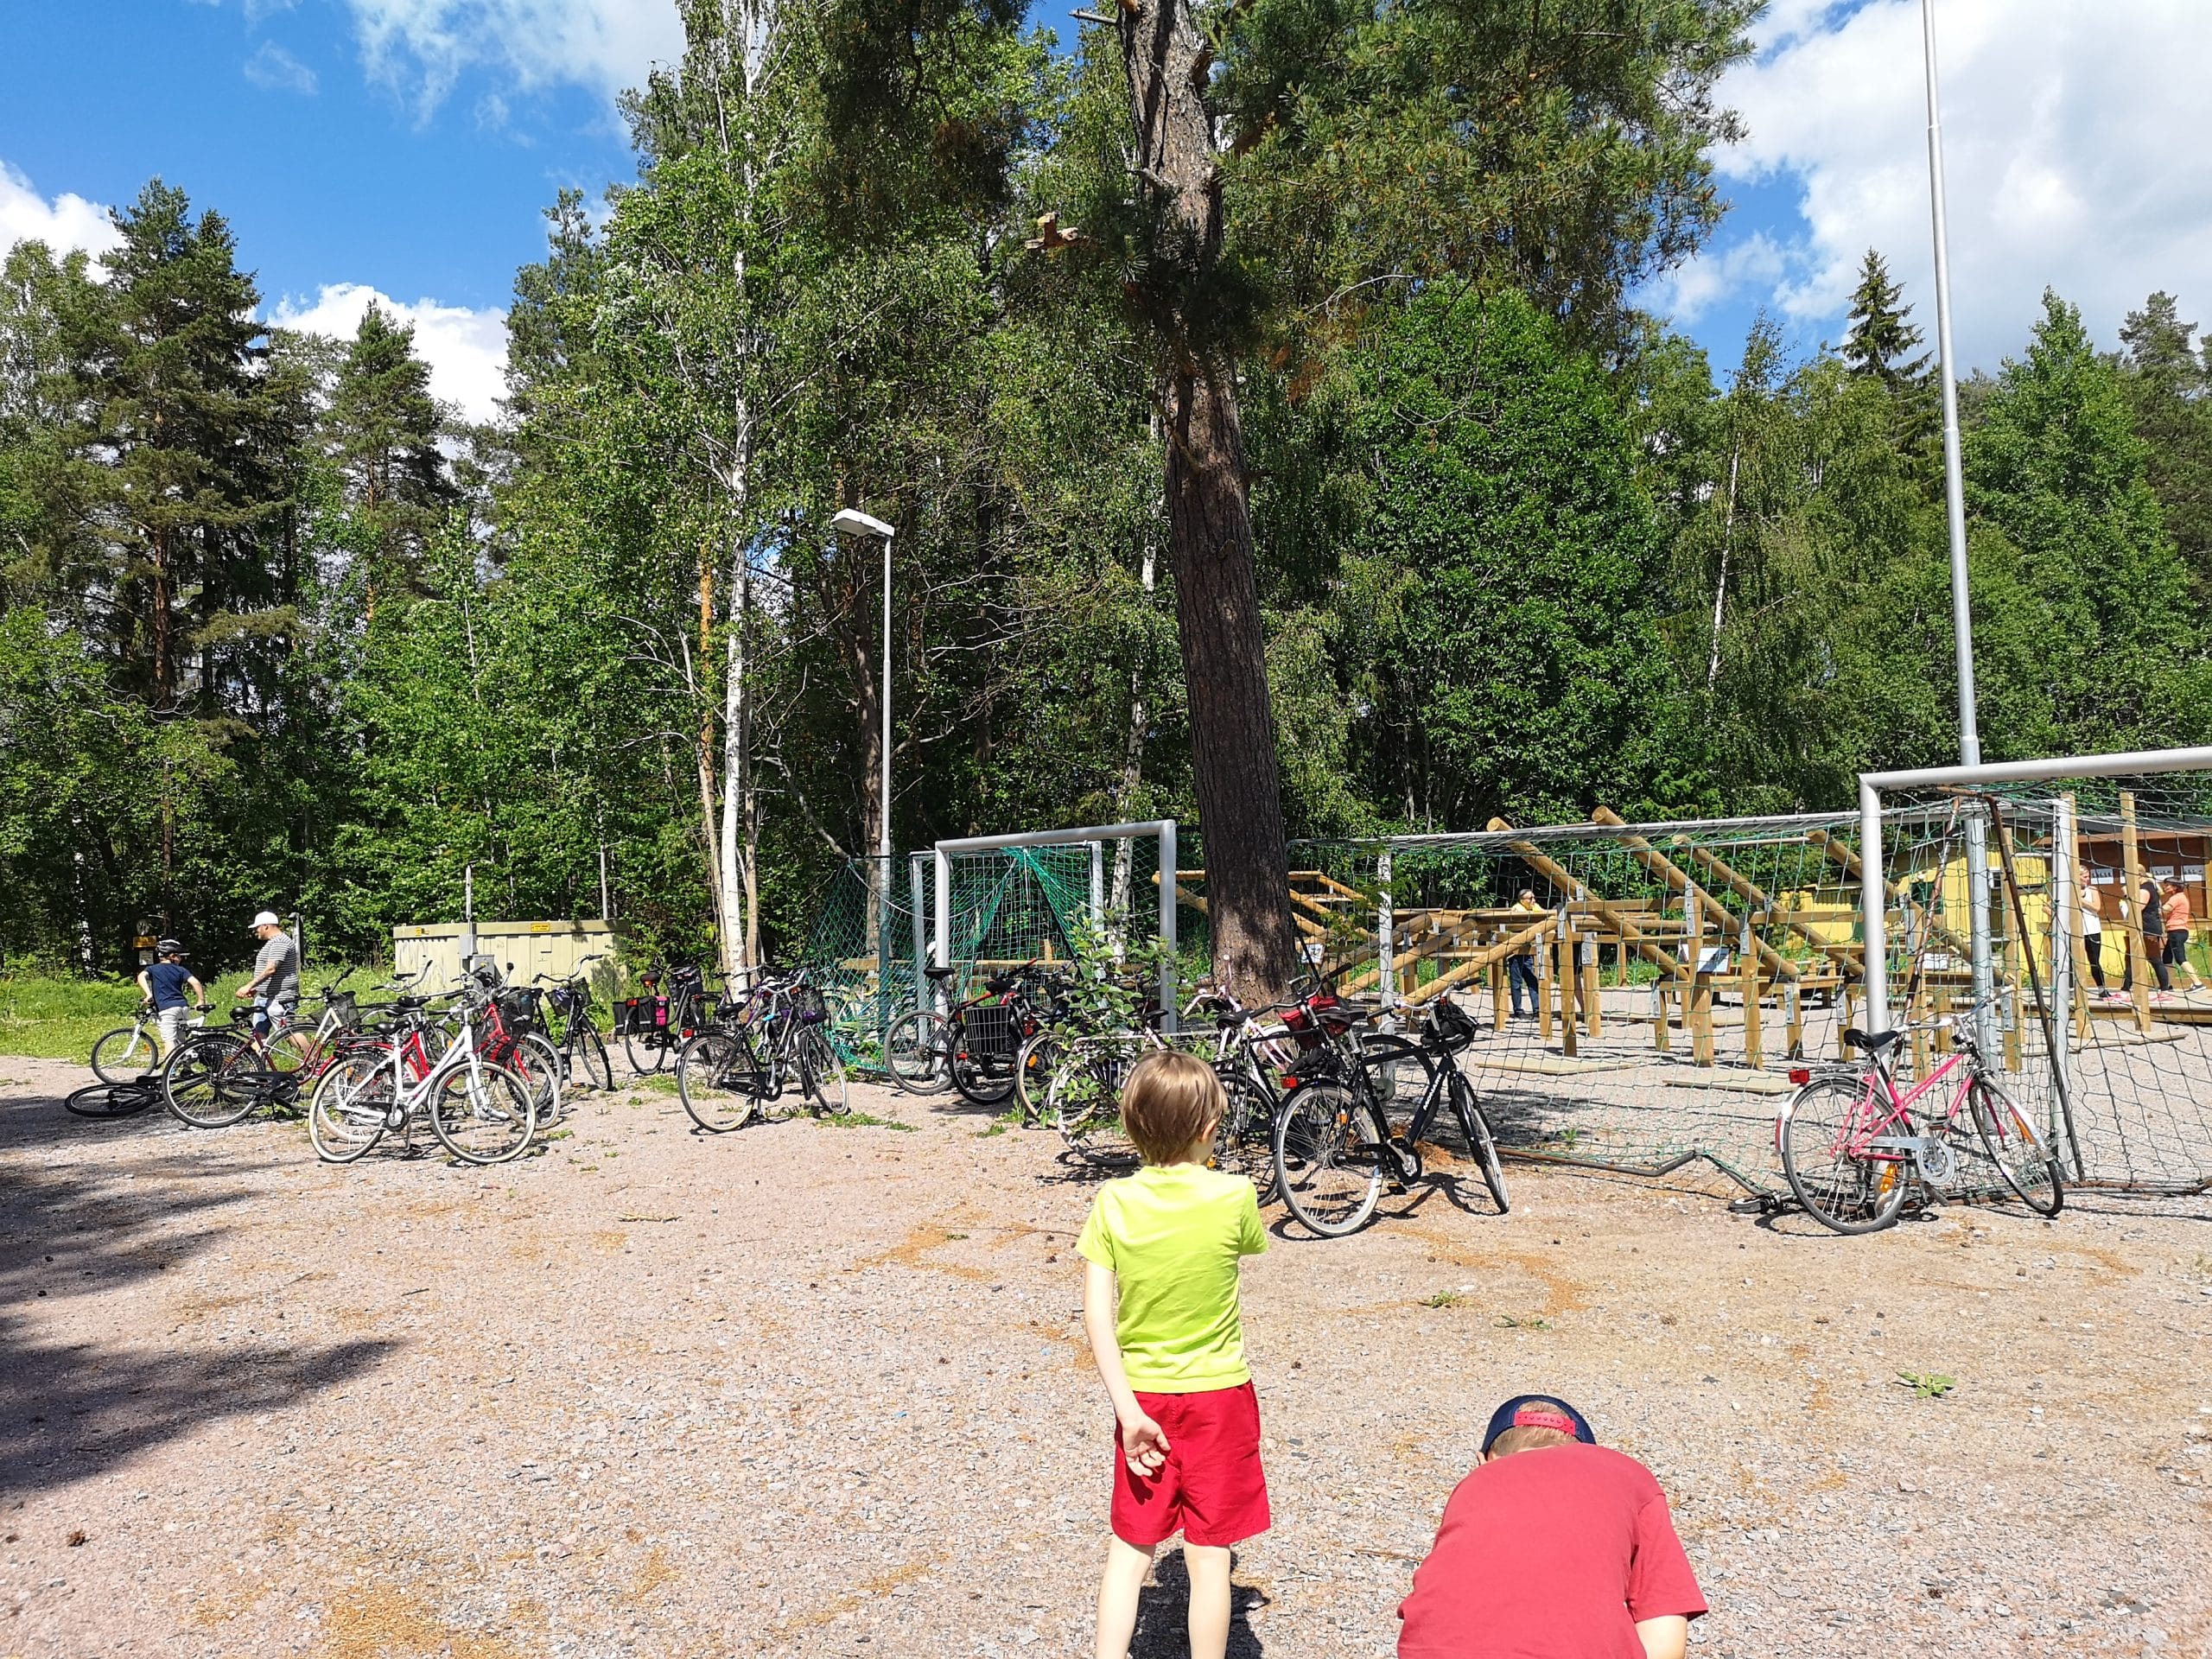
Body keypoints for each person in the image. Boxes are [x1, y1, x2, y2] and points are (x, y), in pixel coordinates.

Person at [1077, 1050, 1270, 1659]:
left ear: (1132, 1126)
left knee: (1130, 1549)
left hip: (1144, 1398)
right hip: (1220, 1396)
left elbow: (1097, 1317)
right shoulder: (1235, 1195)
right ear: (1209, 1127)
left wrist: (1129, 1412)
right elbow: (1249, 1246)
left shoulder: (1112, 1201)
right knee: (1209, 1555)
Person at [1398, 1395, 1706, 1659]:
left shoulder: (1473, 1485)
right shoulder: (1628, 1475)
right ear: (1588, 1454)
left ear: (1483, 1461)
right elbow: (1664, 1628)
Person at [134, 940, 208, 1058]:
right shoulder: (181, 970)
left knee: (169, 1040)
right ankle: (185, 1065)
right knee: (181, 1040)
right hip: (183, 1008)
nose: (181, 959)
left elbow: (141, 977)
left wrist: (148, 994)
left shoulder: (153, 969)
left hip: (167, 1009)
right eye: (179, 956)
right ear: (172, 956)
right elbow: (195, 982)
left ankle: (170, 1067)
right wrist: (201, 1001)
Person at [235, 910, 301, 1034]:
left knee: (288, 1033)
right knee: (258, 1036)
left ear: (266, 926)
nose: (256, 931)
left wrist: (249, 986)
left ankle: (309, 1049)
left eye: (257, 928)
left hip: (279, 997)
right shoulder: (273, 942)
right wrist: (257, 988)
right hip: (266, 997)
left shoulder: (280, 942)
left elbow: (271, 969)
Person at [2125, 876, 2171, 996]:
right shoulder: (2149, 888)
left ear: (2139, 876)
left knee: (2154, 959)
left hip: (2147, 929)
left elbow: (2138, 908)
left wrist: (2126, 895)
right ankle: (2125, 988)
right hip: (2143, 928)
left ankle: (2165, 989)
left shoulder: (2145, 889)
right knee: (2131, 958)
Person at [1506, 888, 1543, 1020]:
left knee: (1532, 980)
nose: (1533, 900)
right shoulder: (1517, 909)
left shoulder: (1535, 907)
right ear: (1522, 900)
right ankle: (1518, 1010)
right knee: (1516, 982)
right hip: (1515, 951)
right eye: (1530, 898)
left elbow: (1543, 916)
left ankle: (1537, 1009)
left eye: (1534, 897)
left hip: (1527, 949)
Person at [2163, 879, 2203, 993]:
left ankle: (2197, 983)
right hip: (2175, 931)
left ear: (2175, 887)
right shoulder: (2179, 897)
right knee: (2166, 958)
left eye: (2167, 885)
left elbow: (2164, 910)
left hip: (2177, 931)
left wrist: (2152, 904)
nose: (2165, 887)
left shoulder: (2177, 897)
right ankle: (2167, 985)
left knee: (2180, 959)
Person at [2079, 878, 2108, 994]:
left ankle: (2102, 989)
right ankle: (2072, 990)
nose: (2087, 879)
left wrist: (2081, 900)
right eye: (2084, 876)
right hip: (2074, 931)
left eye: (2088, 876)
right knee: (2073, 962)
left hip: (2092, 930)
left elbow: (2097, 907)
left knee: (2094, 960)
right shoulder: (2068, 890)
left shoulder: (2092, 890)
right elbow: (2046, 907)